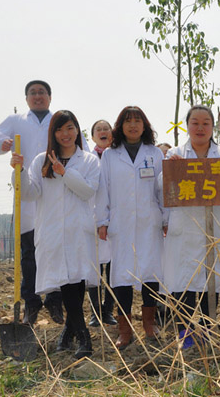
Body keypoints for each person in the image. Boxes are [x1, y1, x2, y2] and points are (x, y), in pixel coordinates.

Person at [11, 110, 100, 358]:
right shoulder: (42, 160)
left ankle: (72, 335)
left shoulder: (89, 160)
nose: (65, 134)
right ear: (53, 133)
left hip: (78, 231)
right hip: (52, 231)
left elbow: (88, 191)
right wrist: (19, 170)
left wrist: (65, 173)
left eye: (70, 128)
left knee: (76, 282)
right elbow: (28, 193)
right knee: (66, 282)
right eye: (60, 129)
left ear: (77, 130)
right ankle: (82, 336)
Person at [0, 80, 69, 326]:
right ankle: (31, 302)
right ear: (26, 99)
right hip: (27, 191)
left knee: (55, 251)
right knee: (28, 253)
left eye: (42, 92)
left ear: (50, 97)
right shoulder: (16, 121)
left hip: (55, 192)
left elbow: (77, 144)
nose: (37, 96)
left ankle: (55, 300)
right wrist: (2, 144)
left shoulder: (59, 120)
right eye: (33, 93)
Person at [162, 105, 220, 348]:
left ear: (213, 127)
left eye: (206, 123)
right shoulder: (175, 154)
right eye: (195, 123)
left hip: (214, 226)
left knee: (209, 280)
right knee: (183, 282)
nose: (200, 128)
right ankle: (184, 334)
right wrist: (170, 169)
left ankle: (206, 331)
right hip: (185, 228)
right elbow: (161, 187)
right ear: (187, 126)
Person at [96, 106, 165, 349]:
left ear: (144, 126)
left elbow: (162, 189)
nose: (133, 125)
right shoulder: (109, 155)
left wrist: (165, 218)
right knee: (122, 275)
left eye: (137, 121)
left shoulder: (155, 153)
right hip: (121, 222)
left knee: (150, 272)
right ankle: (124, 329)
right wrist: (102, 220)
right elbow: (103, 189)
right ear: (120, 126)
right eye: (128, 121)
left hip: (149, 221)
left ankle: (149, 324)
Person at [87, 120, 117, 327]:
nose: (103, 132)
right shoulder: (87, 159)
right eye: (99, 129)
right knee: (94, 269)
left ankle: (109, 310)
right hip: (92, 219)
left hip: (115, 218)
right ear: (93, 136)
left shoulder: (117, 157)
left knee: (114, 268)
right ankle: (95, 312)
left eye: (106, 128)